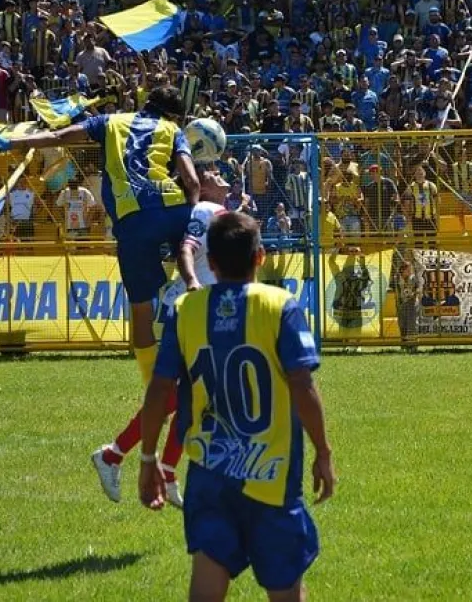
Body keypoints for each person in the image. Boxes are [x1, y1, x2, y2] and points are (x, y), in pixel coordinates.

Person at [137, 211, 335, 601]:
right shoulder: (280, 305)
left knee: (207, 582)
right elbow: (302, 383)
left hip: (210, 474)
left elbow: (160, 390)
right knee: (285, 588)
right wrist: (323, 452)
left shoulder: (186, 311)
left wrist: (148, 459)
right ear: (260, 256)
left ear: (210, 262)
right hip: (271, 472)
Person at [0, 86, 200, 391]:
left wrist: (9, 142)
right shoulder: (172, 129)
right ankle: (189, 293)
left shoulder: (110, 122)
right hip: (174, 209)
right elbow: (192, 179)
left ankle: (154, 388)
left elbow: (57, 137)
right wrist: (194, 214)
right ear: (173, 115)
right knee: (196, 265)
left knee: (142, 313)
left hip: (134, 219)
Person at [92, 170, 230, 508]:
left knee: (185, 400)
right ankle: (130, 460)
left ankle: (141, 464)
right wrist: (193, 281)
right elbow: (187, 249)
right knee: (179, 398)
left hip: (206, 313)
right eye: (211, 174)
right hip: (190, 311)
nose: (220, 175)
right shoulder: (202, 212)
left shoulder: (219, 213)